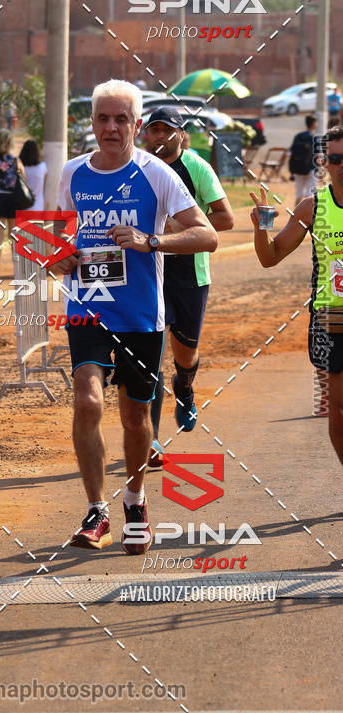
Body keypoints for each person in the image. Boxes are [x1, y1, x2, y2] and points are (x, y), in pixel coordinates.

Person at [55, 80, 217, 554]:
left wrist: (151, 241)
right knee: (86, 402)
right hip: (86, 307)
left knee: (135, 416)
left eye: (121, 119)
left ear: (137, 124)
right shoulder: (71, 173)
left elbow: (207, 235)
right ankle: (95, 511)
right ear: (92, 123)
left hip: (142, 316)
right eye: (103, 118)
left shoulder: (158, 176)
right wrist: (57, 255)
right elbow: (54, 232)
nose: (111, 127)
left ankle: (135, 499)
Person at [250, 125, 343, 467]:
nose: (342, 163)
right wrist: (262, 227)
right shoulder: (312, 208)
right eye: (336, 158)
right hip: (330, 320)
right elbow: (269, 257)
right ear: (324, 163)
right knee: (337, 409)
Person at [145, 108, 234, 464]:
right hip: (149, 271)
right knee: (149, 356)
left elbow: (226, 218)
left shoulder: (196, 167)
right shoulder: (140, 168)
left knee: (185, 353)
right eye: (154, 130)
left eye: (167, 130)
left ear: (182, 135)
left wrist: (175, 231)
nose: (160, 136)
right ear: (145, 135)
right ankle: (149, 441)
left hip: (190, 275)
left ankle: (184, 388)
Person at [0, 129, 27, 279]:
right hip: (13, 201)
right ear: (11, 143)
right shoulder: (16, 161)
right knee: (14, 235)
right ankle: (17, 270)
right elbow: (23, 181)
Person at [289, 115, 318, 205]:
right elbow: (318, 155)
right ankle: (308, 217)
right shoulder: (314, 138)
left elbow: (291, 152)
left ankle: (294, 215)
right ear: (313, 124)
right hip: (311, 168)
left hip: (298, 168)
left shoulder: (298, 136)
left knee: (298, 194)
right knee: (310, 195)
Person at [19, 140, 47, 211]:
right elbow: (44, 184)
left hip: (22, 206)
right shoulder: (42, 167)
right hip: (38, 207)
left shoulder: (20, 167)